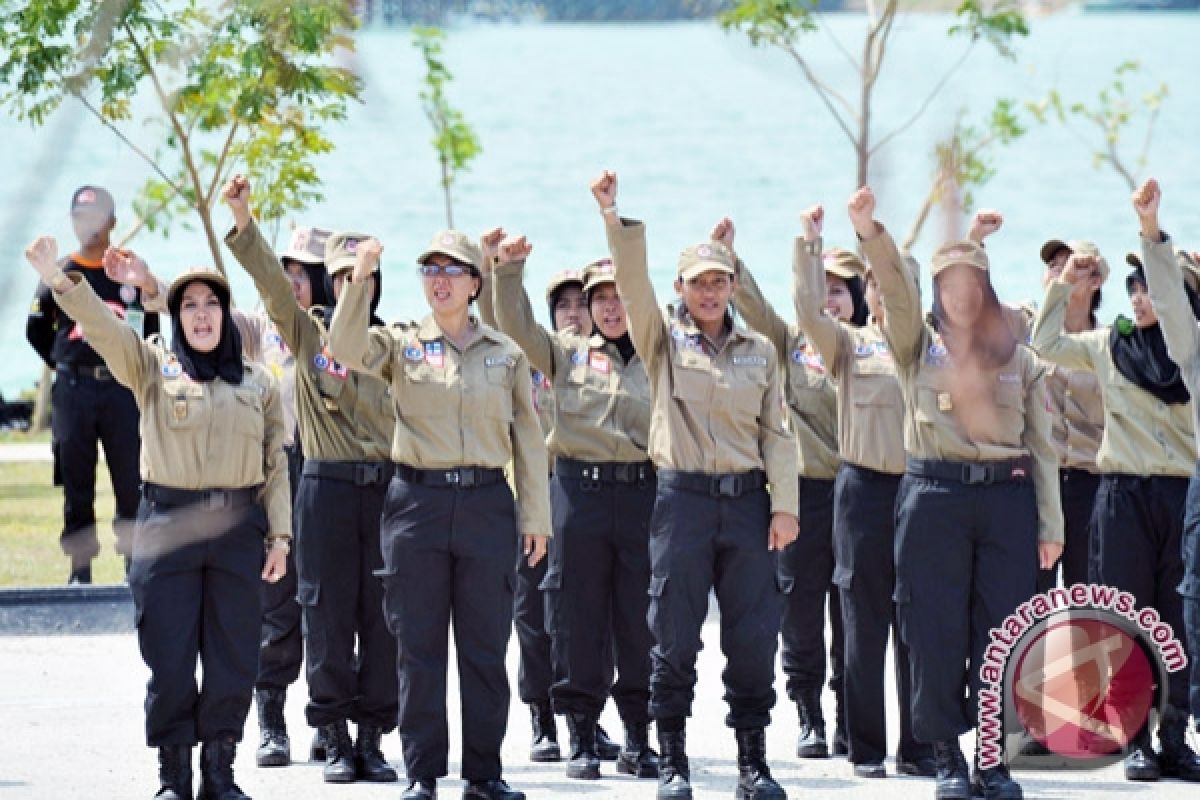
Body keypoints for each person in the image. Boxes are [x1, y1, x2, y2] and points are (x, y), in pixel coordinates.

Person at [25, 236, 290, 800]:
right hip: (167, 526)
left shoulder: (257, 382)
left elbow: (275, 465)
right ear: (175, 316)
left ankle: (219, 773)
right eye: (189, 305)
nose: (201, 314)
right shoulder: (151, 366)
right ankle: (173, 777)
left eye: (212, 304)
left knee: (232, 658)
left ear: (226, 315)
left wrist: (281, 537)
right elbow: (101, 326)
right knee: (168, 659)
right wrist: (58, 277)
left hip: (238, 530)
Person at [594, 169, 799, 800]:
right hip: (681, 502)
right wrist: (613, 216)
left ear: (732, 285)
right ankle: (674, 761)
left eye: (719, 281)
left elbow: (779, 432)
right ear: (680, 289)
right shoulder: (660, 340)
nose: (709, 293)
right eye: (698, 283)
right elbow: (630, 286)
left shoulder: (760, 351)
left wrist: (785, 507)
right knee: (674, 635)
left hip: (746, 506)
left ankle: (752, 763)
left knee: (752, 637)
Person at [856, 186, 1063, 800]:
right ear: (937, 292)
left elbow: (1044, 448)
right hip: (934, 501)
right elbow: (895, 289)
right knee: (934, 629)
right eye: (949, 283)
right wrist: (870, 232)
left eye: (973, 282)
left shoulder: (1017, 360)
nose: (962, 293)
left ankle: (993, 760)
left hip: (1006, 502)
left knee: (1002, 634)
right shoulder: (916, 346)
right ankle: (947, 755)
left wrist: (1050, 526)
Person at [328, 231, 550, 800]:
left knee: (483, 648)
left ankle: (483, 774)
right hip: (416, 505)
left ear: (475, 284)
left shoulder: (505, 352)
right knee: (419, 646)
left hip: (485, 504)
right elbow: (345, 349)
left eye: (454, 269)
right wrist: (359, 278)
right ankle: (421, 773)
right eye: (430, 269)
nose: (441, 279)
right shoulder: (401, 343)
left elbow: (527, 435)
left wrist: (536, 518)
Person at [132, 219, 333, 770]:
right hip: (190, 506)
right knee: (182, 651)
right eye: (285, 272)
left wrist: (279, 535)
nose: (292, 283)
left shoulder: (313, 342)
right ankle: (185, 764)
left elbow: (275, 461)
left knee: (247, 643)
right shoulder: (241, 332)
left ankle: (236, 762)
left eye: (303, 273)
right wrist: (146, 289)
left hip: (285, 489)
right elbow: (182, 318)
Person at [220, 176, 398, 784]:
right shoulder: (308, 336)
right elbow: (273, 286)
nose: (353, 286)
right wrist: (244, 220)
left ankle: (372, 735)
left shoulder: (393, 344)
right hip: (321, 488)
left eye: (362, 278)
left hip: (382, 492)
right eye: (344, 276)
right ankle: (331, 731)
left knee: (380, 615)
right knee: (320, 613)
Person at [492, 236, 657, 782]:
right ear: (587, 307)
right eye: (600, 298)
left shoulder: (658, 358)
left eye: (620, 296)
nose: (611, 307)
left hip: (640, 494)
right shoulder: (566, 353)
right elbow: (515, 328)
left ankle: (638, 735)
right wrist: (509, 270)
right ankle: (580, 735)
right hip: (576, 494)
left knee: (638, 619)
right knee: (575, 617)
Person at [1058, 176, 1200, 783]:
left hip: (1180, 491)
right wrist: (1062, 288)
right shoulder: (1110, 345)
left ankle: (1174, 735)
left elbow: (1174, 303)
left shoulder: (1192, 349)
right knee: (1127, 619)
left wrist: (1152, 231)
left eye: (1153, 285)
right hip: (1122, 495)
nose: (1142, 295)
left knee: (1179, 620)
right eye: (1133, 284)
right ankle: (1134, 736)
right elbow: (1043, 345)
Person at [787, 203, 935, 779]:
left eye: (892, 281)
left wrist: (881, 244)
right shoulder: (849, 346)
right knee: (861, 618)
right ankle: (867, 747)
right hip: (863, 491)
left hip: (922, 491)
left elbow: (904, 302)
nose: (881, 290)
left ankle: (921, 744)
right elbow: (805, 310)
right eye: (872, 281)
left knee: (918, 620)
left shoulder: (927, 350)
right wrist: (810, 243)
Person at [477, 245, 619, 764]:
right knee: (533, 615)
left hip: (589, 499)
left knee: (591, 617)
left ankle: (590, 717)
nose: (575, 314)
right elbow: (501, 321)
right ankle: (542, 720)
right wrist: (495, 270)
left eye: (583, 304)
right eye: (564, 306)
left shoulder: (609, 364)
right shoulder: (532, 359)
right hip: (536, 499)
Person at [720, 215, 848, 760]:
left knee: (853, 613)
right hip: (802, 496)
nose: (831, 300)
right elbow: (749, 305)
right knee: (798, 609)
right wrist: (730, 258)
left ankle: (851, 713)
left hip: (859, 494)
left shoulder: (867, 349)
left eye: (840, 291)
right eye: (823, 289)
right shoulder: (789, 343)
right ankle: (808, 712)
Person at [25, 186, 159, 583]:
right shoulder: (60, 272)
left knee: (130, 482)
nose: (89, 226)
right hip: (75, 391)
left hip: (121, 392)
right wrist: (63, 362)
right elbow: (35, 328)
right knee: (77, 481)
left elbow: (148, 330)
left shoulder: (127, 273)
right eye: (81, 218)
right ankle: (79, 570)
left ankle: (133, 567)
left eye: (97, 217)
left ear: (112, 222)